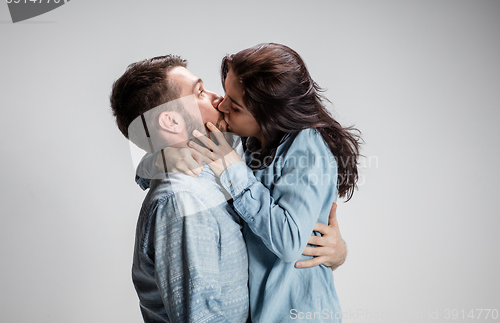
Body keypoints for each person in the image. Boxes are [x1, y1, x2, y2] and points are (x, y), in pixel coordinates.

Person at [110, 54, 347, 322]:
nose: (219, 102)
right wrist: (164, 158)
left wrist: (338, 252)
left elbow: (290, 225)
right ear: (172, 122)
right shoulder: (183, 200)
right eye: (200, 92)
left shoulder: (221, 158)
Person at [187, 43, 361, 322]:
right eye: (226, 93)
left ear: (271, 115)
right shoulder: (247, 141)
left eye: (236, 106)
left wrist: (233, 168)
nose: (221, 105)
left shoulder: (306, 147)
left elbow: (290, 243)